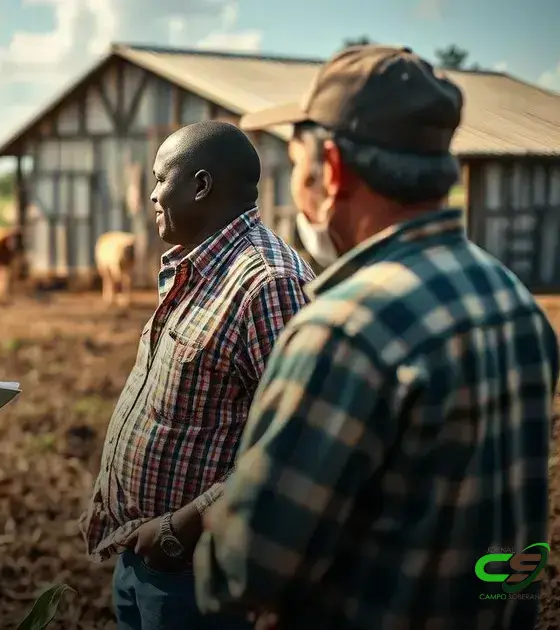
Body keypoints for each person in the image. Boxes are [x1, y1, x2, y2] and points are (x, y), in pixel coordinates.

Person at [194, 45, 560, 629]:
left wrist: (216, 525)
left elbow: (241, 571)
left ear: (331, 171)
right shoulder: (515, 302)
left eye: (295, 165)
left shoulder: (343, 330)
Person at [79, 120, 315, 630]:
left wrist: (179, 529)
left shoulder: (268, 285)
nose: (152, 194)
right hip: (143, 552)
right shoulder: (196, 266)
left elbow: (295, 446)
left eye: (162, 178)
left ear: (201, 186)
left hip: (195, 573)